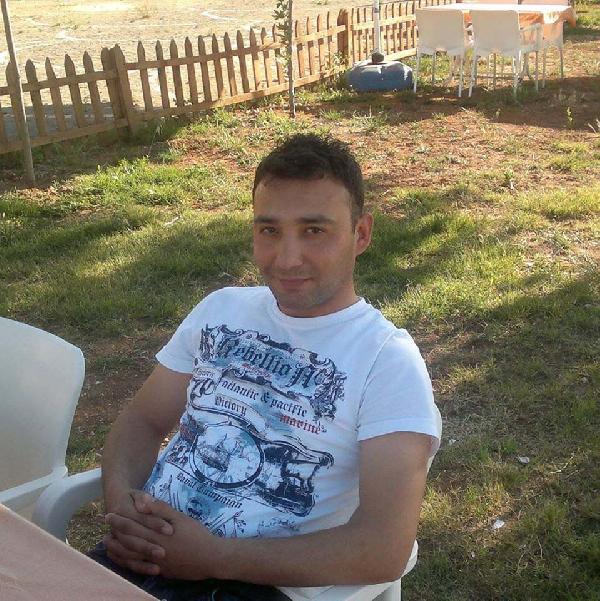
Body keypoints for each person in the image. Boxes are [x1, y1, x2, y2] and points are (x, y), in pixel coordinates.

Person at [92, 133, 442, 601]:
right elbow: (143, 420)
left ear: (361, 234)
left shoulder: (387, 361)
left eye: (314, 230)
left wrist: (214, 558)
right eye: (269, 230)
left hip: (255, 584)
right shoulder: (221, 309)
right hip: (139, 553)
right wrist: (123, 509)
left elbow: (383, 548)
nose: (287, 259)